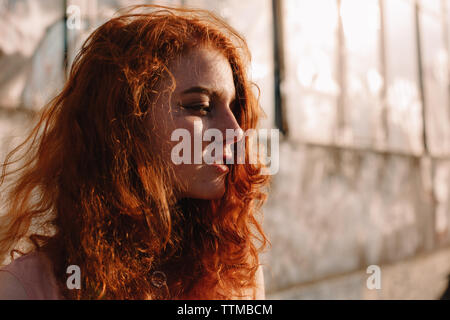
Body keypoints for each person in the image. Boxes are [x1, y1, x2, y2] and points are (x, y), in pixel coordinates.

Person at [0, 5, 270, 300]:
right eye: (200, 107)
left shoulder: (232, 272)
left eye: (233, 107)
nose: (234, 130)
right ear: (126, 122)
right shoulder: (27, 289)